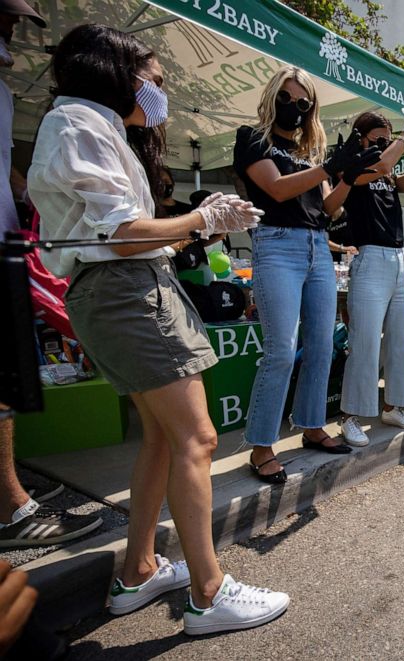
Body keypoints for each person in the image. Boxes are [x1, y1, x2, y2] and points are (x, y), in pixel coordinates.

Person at [28, 24, 288, 634]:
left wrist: (199, 223)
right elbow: (121, 234)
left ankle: (139, 570)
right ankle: (208, 592)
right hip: (127, 290)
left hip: (124, 289)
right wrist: (201, 217)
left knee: (163, 439)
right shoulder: (81, 124)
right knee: (197, 438)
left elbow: (119, 228)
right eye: (155, 81)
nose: (160, 93)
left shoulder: (89, 125)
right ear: (117, 72)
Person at [234, 66, 382, 481]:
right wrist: (329, 166)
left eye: (303, 102)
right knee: (281, 349)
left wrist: (349, 176)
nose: (294, 107)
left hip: (318, 246)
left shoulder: (307, 153)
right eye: (287, 97)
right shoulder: (252, 139)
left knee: (321, 346)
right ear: (271, 96)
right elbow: (278, 189)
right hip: (277, 244)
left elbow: (328, 207)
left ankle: (312, 426)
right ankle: (261, 446)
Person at [0, 0, 104, 550]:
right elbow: (118, 222)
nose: (13, 29)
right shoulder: (71, 124)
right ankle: (11, 511)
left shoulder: (8, 94)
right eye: (7, 15)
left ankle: (12, 506)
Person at [329, 96, 404, 447]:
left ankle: (394, 405)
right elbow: (384, 163)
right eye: (378, 138)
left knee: (402, 338)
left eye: (387, 139)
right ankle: (351, 416)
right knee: (366, 341)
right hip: (369, 258)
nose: (384, 145)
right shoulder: (354, 168)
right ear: (362, 138)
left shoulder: (388, 175)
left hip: (400, 258)